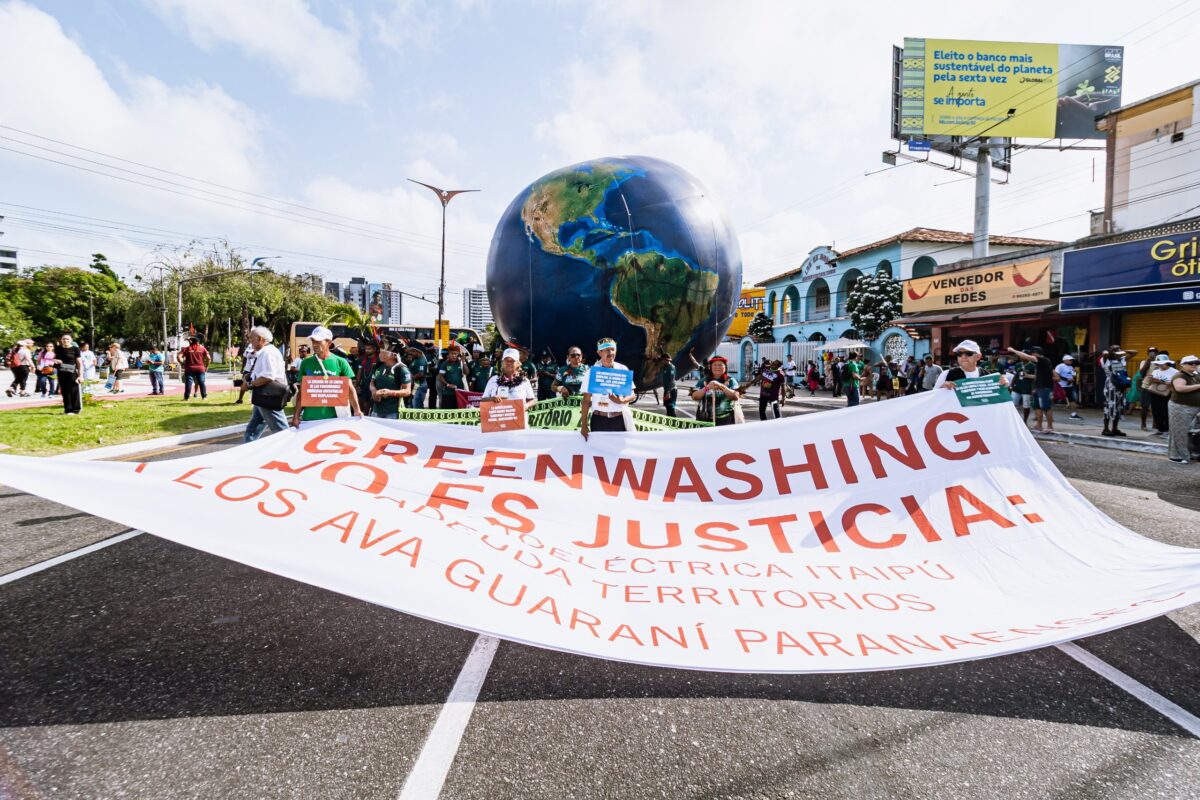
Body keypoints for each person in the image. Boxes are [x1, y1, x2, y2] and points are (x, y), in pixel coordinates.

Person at [291, 326, 362, 426]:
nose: (314, 344)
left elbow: (350, 389)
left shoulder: (341, 362)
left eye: (318, 341)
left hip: (335, 419)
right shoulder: (305, 363)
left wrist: (357, 410)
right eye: (313, 341)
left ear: (329, 342)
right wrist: (296, 416)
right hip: (310, 419)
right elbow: (302, 392)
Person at [580, 338, 635, 439]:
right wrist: (583, 425)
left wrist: (622, 400)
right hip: (599, 419)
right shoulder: (592, 373)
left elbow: (632, 394)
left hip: (618, 419)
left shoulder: (622, 369)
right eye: (606, 350)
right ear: (599, 352)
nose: (610, 353)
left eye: (612, 349)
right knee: (597, 452)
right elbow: (586, 400)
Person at [243, 326, 290, 442]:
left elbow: (268, 376)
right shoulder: (265, 352)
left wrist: (249, 385)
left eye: (251, 339)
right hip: (262, 396)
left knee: (281, 431)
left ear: (259, 339)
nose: (250, 342)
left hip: (269, 396)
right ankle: (247, 454)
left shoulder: (268, 353)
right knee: (252, 430)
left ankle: (290, 452)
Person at [1007, 346, 1055, 432]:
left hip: (1045, 387)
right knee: (1038, 407)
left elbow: (1026, 356)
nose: (1032, 355)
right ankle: (1038, 425)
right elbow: (1037, 376)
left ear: (1036, 353)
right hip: (1039, 387)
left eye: (1033, 353)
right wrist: (1028, 376)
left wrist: (1013, 350)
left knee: (1046, 407)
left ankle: (1050, 426)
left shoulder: (1043, 360)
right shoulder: (1040, 363)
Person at [482, 348, 536, 416]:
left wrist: (526, 406)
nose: (509, 363)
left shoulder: (525, 381)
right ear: (502, 362)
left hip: (519, 420)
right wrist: (491, 399)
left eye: (512, 361)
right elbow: (483, 399)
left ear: (518, 363)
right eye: (506, 360)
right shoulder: (493, 380)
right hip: (498, 421)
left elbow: (533, 400)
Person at [1167, 355, 1200, 464]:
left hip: (1194, 408)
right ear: (1183, 365)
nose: (1194, 365)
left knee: (1191, 433)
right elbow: (1180, 388)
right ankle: (1176, 456)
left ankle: (1190, 453)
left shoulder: (1195, 376)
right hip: (1180, 407)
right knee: (1179, 432)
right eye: (1191, 363)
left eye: (1196, 363)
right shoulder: (1180, 375)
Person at [691, 355, 740, 426]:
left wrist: (721, 386)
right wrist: (707, 387)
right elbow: (694, 396)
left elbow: (735, 396)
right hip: (705, 419)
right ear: (710, 367)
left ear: (725, 367)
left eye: (720, 365)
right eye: (715, 365)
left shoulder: (731, 380)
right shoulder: (703, 381)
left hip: (726, 420)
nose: (717, 367)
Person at [369, 344, 413, 419]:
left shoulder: (402, 369)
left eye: (383, 353)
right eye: (380, 352)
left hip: (393, 412)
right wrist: (373, 391)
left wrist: (390, 393)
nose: (380, 355)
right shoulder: (378, 366)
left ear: (393, 355)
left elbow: (407, 391)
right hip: (376, 410)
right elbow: (372, 382)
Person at [1098, 345, 1130, 437]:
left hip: (1120, 385)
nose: (1119, 353)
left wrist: (1122, 351)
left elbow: (1134, 353)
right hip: (1111, 386)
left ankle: (1114, 428)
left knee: (1118, 407)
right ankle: (1105, 429)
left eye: (1119, 350)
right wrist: (1112, 352)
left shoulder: (1121, 360)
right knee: (1109, 406)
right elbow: (1105, 354)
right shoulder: (1106, 360)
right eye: (1116, 351)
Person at [1146, 353, 1177, 437]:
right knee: (1156, 411)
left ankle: (1167, 430)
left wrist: (1160, 381)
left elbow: (1174, 383)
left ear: (1167, 363)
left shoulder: (1174, 372)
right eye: (1157, 363)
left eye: (1161, 363)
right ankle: (1160, 429)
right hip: (1155, 393)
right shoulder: (1156, 371)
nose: (1159, 365)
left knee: (1166, 411)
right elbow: (1150, 381)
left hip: (1167, 394)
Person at [52, 333, 83, 414]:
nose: (65, 340)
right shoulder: (58, 348)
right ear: (61, 340)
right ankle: (67, 409)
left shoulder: (75, 349)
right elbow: (54, 359)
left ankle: (76, 410)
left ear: (71, 340)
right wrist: (56, 360)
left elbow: (79, 363)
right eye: (64, 339)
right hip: (61, 372)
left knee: (73, 391)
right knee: (64, 391)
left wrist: (80, 375)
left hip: (72, 372)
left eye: (67, 339)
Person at [1136, 347, 1159, 431]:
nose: (1152, 353)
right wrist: (1149, 360)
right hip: (1146, 386)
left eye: (1154, 352)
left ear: (1157, 353)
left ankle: (1155, 424)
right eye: (1150, 352)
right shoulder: (1144, 362)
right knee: (1144, 406)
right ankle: (1143, 424)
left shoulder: (1160, 362)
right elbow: (1142, 372)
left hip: (1157, 386)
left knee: (1156, 406)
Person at [1010, 358, 1036, 424]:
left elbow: (1035, 378)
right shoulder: (1018, 364)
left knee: (1026, 405)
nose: (1022, 357)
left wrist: (1033, 388)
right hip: (1017, 386)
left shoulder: (1033, 366)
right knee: (1012, 404)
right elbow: (1015, 375)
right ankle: (1014, 420)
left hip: (1027, 387)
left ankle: (1025, 421)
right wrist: (1011, 385)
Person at [1055, 355, 1082, 419]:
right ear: (1065, 360)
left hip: (1069, 386)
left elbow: (1073, 375)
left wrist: (1072, 378)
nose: (1071, 361)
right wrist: (1066, 379)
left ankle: (1073, 414)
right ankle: (1045, 411)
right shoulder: (1060, 366)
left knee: (1073, 399)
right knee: (1055, 398)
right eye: (1070, 360)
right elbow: (1056, 375)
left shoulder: (1071, 367)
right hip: (1061, 386)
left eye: (1072, 360)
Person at [236, 340, 257, 405]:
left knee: (255, 385)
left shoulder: (259, 352)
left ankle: (254, 401)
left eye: (252, 351)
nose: (251, 352)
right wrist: (242, 368)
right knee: (243, 384)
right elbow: (245, 358)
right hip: (247, 369)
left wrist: (253, 368)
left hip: (255, 370)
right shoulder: (248, 350)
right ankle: (240, 399)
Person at [658, 353, 678, 417]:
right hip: (667, 390)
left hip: (671, 390)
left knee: (671, 408)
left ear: (665, 360)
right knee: (667, 407)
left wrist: (668, 392)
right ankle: (669, 421)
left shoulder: (671, 368)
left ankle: (674, 422)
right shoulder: (666, 366)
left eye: (662, 360)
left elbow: (671, 381)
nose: (661, 361)